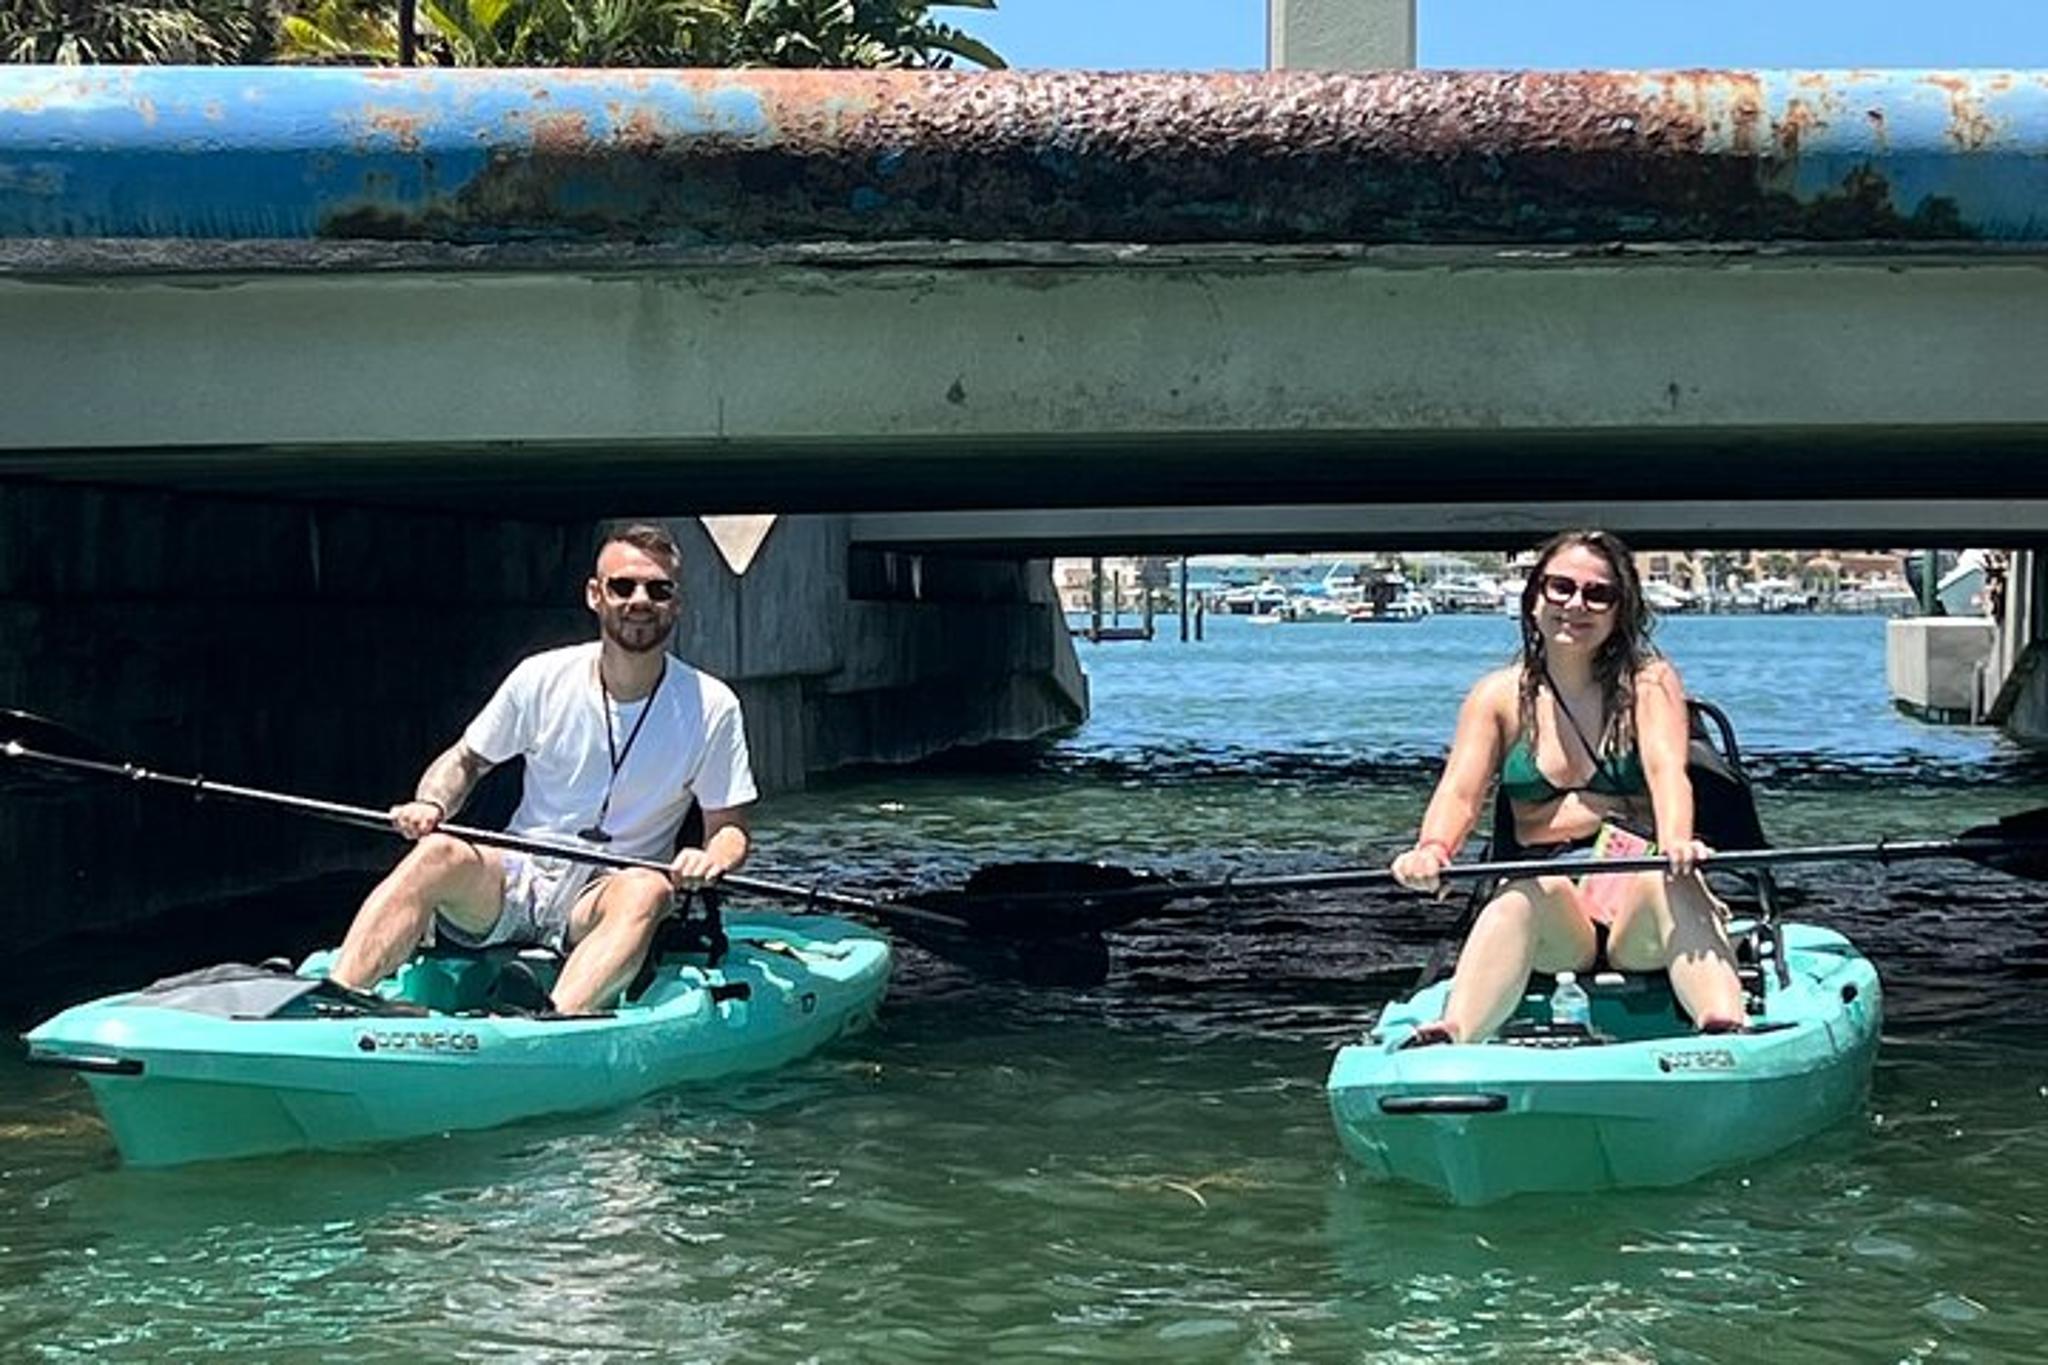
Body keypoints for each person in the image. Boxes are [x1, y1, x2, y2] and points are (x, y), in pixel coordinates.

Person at [327, 521, 756, 1015]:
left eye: (658, 590)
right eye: (622, 586)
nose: (640, 600)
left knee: (649, 888)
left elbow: (730, 831)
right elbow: (466, 760)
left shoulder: (713, 705)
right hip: (517, 874)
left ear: (675, 604)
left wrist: (710, 859)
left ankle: (552, 1018)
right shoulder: (540, 676)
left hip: (603, 897)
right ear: (595, 595)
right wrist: (432, 802)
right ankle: (340, 995)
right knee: (439, 851)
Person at [1390, 529, 1746, 1044]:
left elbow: (1669, 772)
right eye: (1561, 587)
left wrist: (1675, 841)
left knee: (1669, 881)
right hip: (1559, 912)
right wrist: (1432, 849)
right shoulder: (1497, 697)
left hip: (1637, 898)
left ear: (1620, 610)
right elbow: (1459, 794)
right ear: (1535, 597)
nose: (1576, 604)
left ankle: (1725, 1026)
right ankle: (1453, 1033)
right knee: (1521, 895)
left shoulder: (1649, 682)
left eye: (1598, 594)